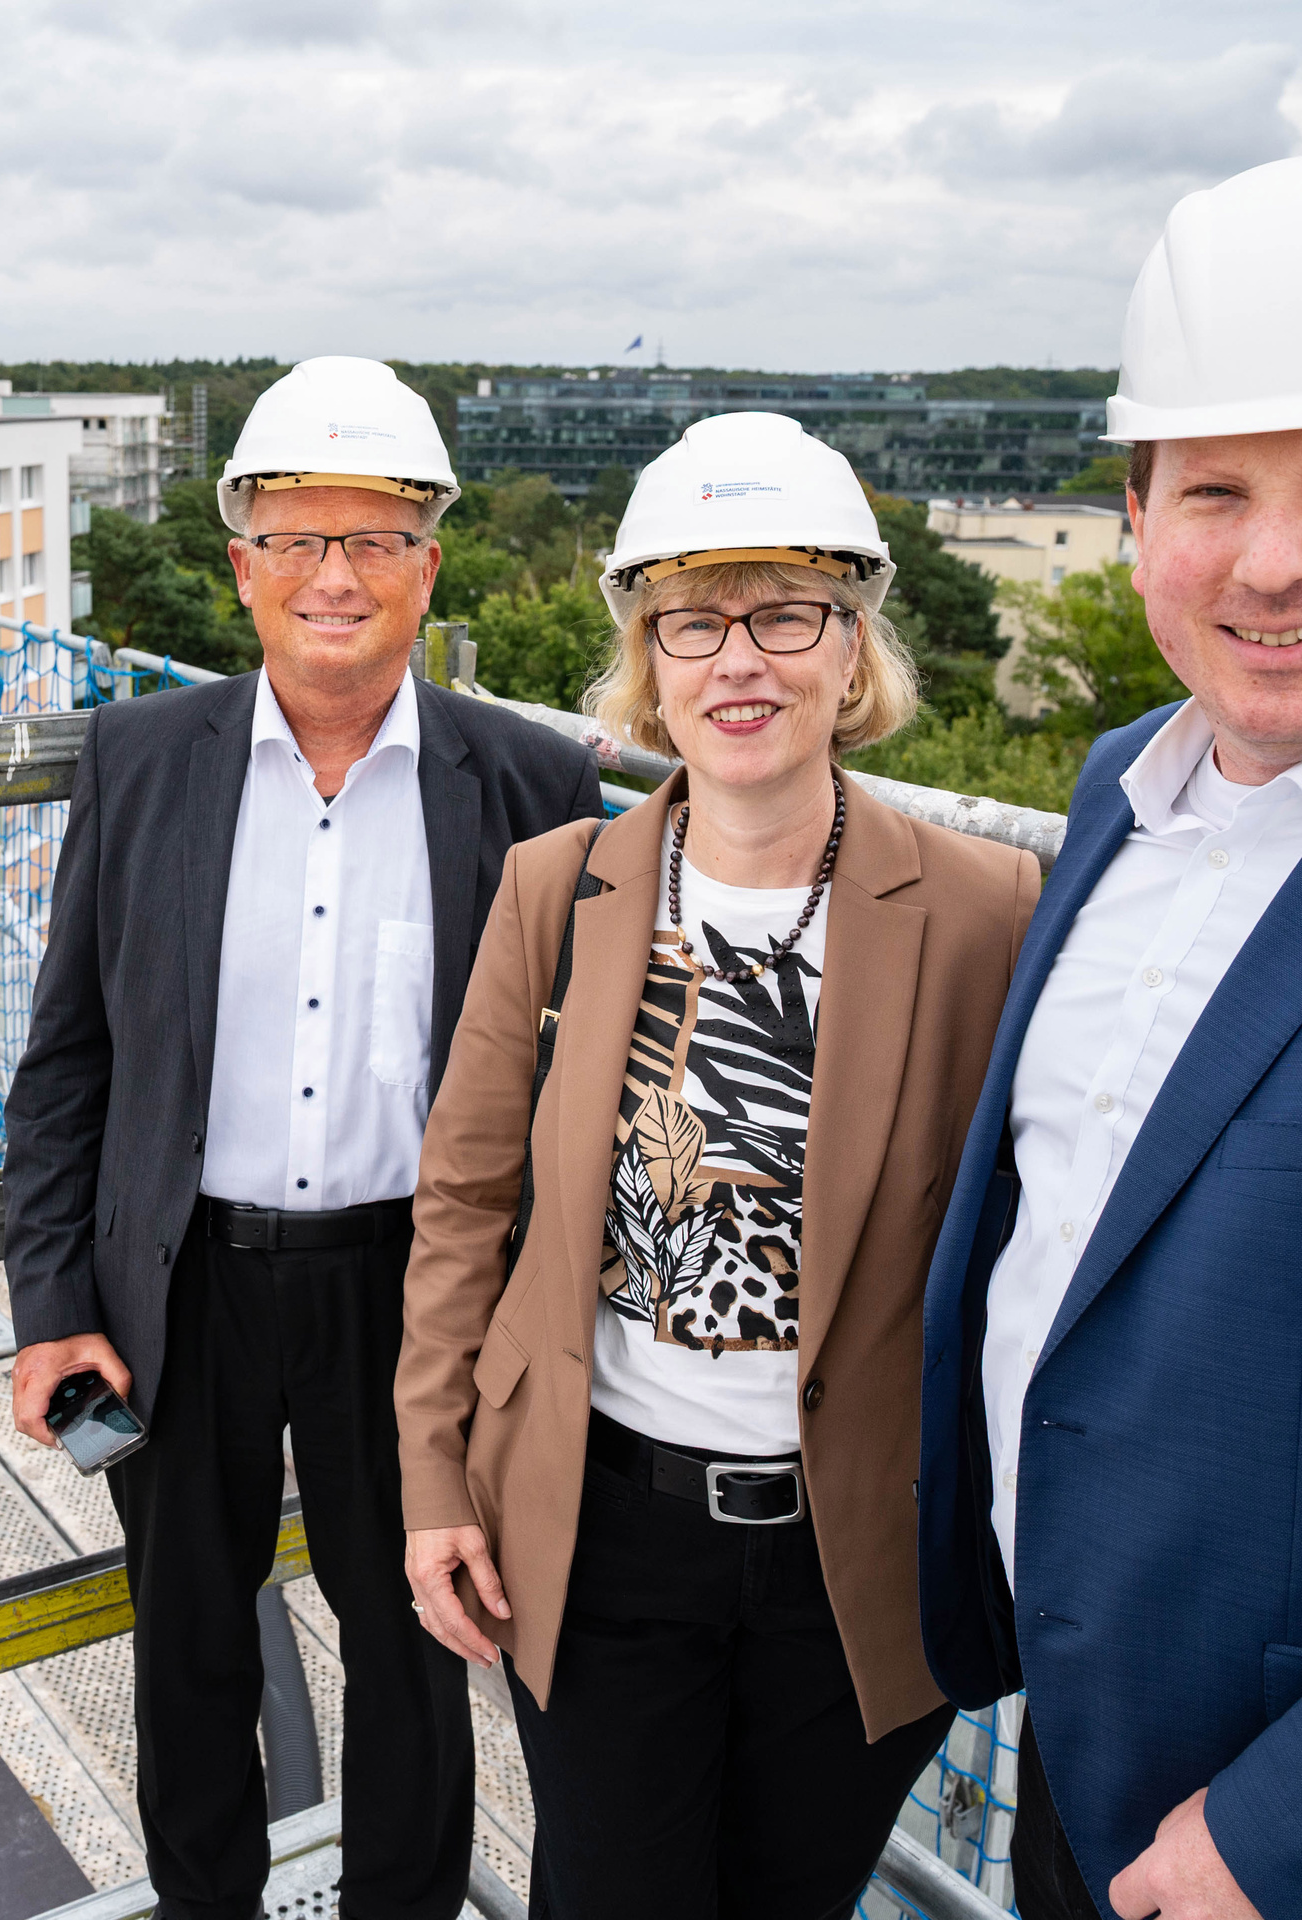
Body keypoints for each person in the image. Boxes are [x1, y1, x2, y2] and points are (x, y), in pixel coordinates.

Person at [397, 410, 1041, 1919]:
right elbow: (467, 1202)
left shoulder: (984, 910)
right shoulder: (558, 888)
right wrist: (434, 1477)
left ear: (850, 647)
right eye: (693, 621)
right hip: (602, 1527)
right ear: (648, 661)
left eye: (784, 614)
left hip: (858, 1550)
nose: (738, 660)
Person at [3, 356, 601, 1920]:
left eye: (374, 540)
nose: (334, 576)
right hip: (178, 1288)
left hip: (413, 1293)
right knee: (187, 1641)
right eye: (296, 540)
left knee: (415, 1644)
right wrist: (52, 1303)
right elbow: (68, 1056)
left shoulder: (533, 782)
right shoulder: (138, 764)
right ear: (241, 566)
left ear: (428, 564)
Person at [917, 156, 1302, 1920]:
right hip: (1082, 1734)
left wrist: (1270, 1832)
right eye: (1218, 490)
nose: (1274, 564)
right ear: (1136, 516)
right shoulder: (1118, 791)